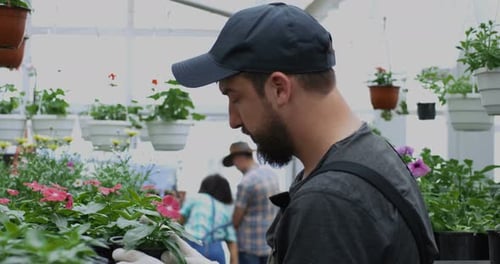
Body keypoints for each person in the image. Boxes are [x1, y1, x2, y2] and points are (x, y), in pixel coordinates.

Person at [114, 2, 439, 263]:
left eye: (234, 97)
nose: (233, 121)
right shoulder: (371, 156)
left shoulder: (329, 202)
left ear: (279, 88)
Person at [222, 141, 280, 264]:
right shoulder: (271, 175)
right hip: (269, 243)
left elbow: (237, 219)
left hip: (249, 246)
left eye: (234, 163)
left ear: (238, 158)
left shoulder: (246, 182)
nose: (236, 166)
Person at [179, 173, 238, 264]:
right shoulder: (225, 209)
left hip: (192, 248)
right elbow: (232, 243)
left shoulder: (195, 198)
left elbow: (179, 221)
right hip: (216, 252)